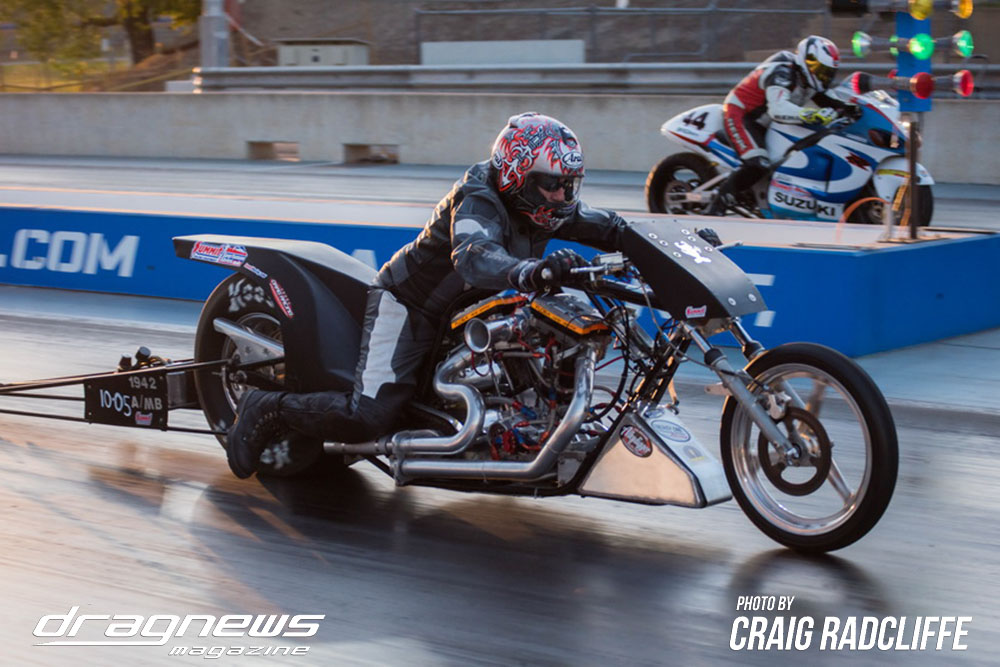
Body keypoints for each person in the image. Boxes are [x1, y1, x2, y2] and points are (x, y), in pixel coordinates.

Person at [227, 112, 720, 479]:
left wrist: (681, 244)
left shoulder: (549, 204)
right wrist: (529, 269)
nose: (562, 197)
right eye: (552, 186)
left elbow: (615, 228)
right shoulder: (478, 197)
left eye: (569, 186)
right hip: (412, 305)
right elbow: (474, 255)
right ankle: (265, 407)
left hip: (472, 310)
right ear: (518, 176)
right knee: (368, 416)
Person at [706, 35, 850, 216]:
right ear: (807, 61)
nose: (824, 77)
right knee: (758, 163)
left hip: (769, 121)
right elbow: (778, 108)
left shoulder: (809, 80)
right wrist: (811, 114)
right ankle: (717, 206)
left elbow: (835, 101)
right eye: (821, 70)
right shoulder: (783, 73)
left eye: (828, 73)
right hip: (741, 115)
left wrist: (854, 108)